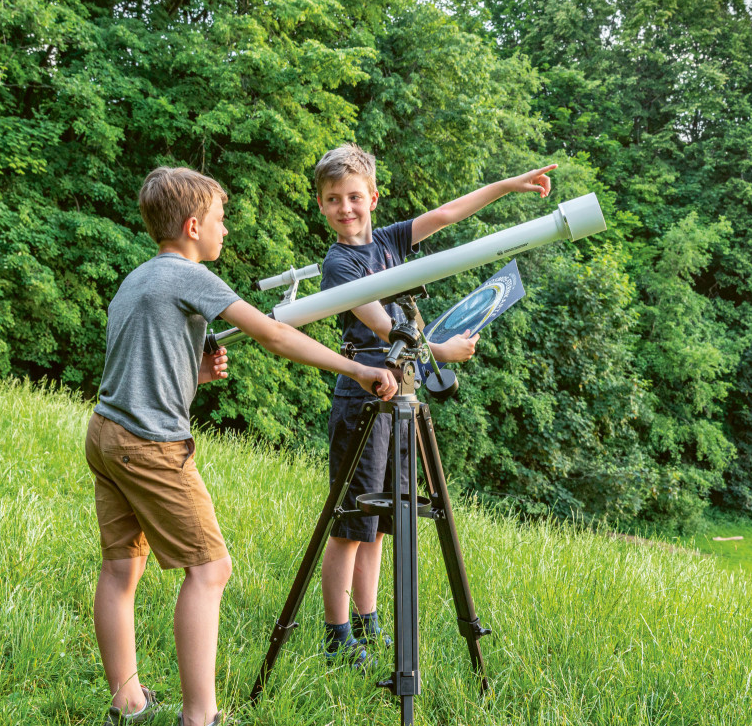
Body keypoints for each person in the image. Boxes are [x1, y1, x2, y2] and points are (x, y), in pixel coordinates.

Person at [85, 167, 397, 726]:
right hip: (152, 444)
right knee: (210, 570)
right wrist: (355, 369)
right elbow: (273, 333)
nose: (225, 232)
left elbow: (133, 360)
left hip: (106, 433)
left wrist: (192, 375)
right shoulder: (190, 276)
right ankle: (200, 717)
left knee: (118, 570)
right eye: (220, 221)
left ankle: (126, 700)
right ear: (191, 225)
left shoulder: (137, 279)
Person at [312, 143, 557, 665]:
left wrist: (508, 185)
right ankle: (336, 636)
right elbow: (381, 321)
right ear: (322, 206)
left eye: (355, 196)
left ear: (373, 197)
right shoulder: (340, 263)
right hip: (363, 396)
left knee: (382, 522)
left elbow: (447, 215)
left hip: (402, 389)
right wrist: (441, 350)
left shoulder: (389, 240)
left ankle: (367, 619)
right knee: (352, 522)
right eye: (334, 199)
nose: (346, 207)